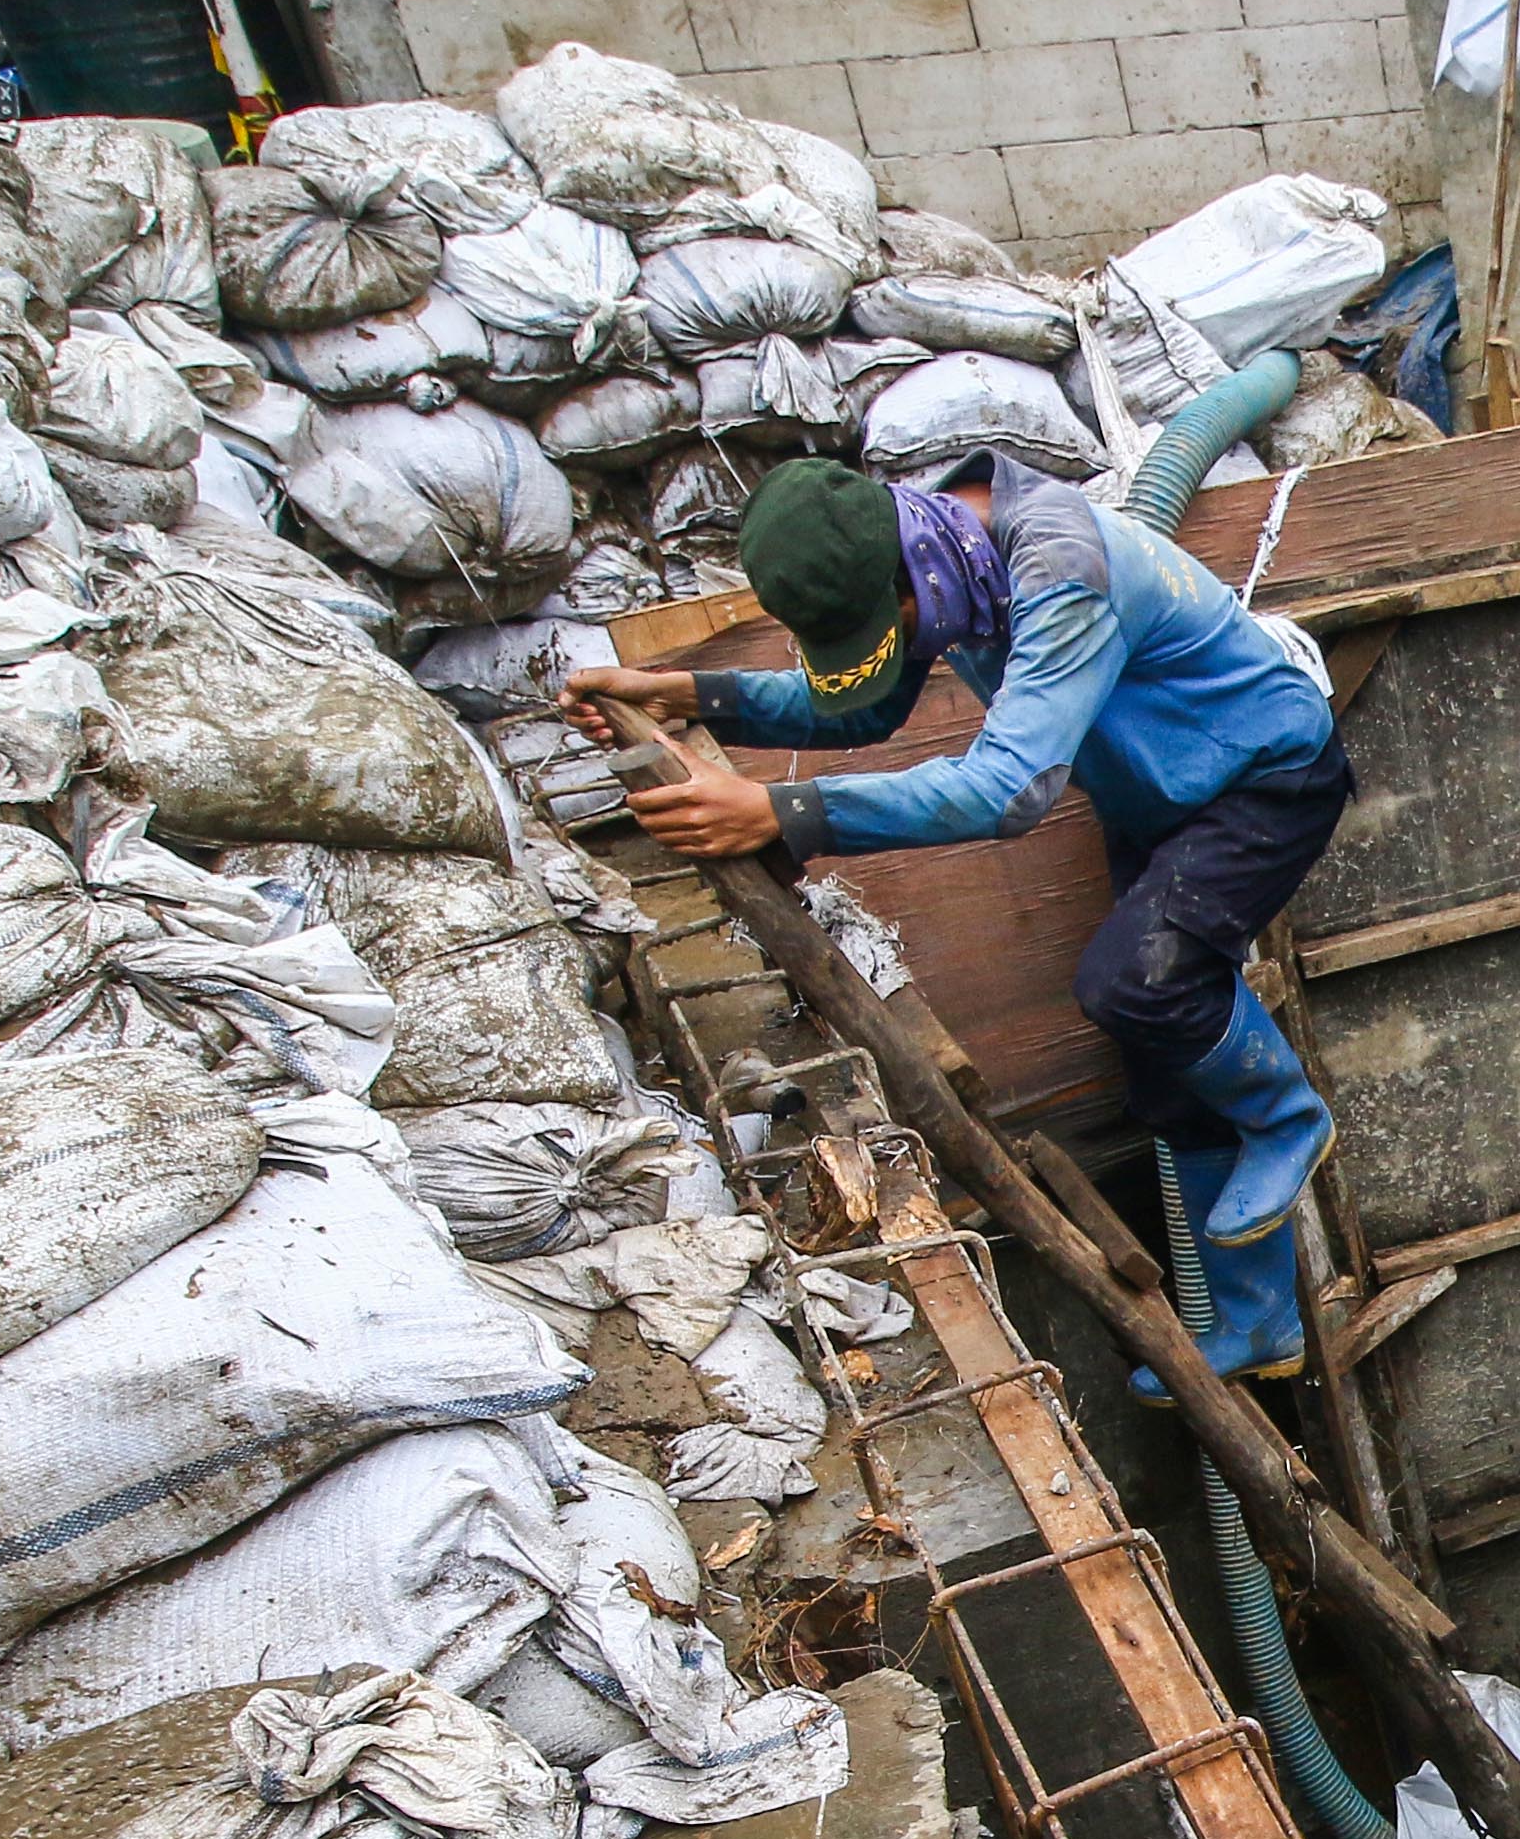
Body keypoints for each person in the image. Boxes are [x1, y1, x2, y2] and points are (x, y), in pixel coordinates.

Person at [562, 449, 1349, 1385]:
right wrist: (694, 695)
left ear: (909, 570)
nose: (895, 634)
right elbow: (862, 705)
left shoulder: (1055, 566)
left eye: (887, 618)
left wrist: (784, 813)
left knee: (1135, 981)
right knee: (1167, 1070)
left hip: (1264, 778)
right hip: (1166, 798)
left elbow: (1008, 791)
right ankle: (1258, 1324)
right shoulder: (947, 558)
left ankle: (1286, 1118)